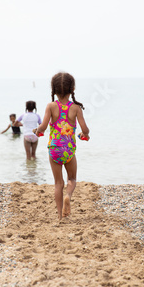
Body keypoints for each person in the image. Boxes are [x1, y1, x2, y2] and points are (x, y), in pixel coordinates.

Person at [34, 72, 90, 220]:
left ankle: (60, 216)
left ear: (54, 90)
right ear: (72, 89)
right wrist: (85, 135)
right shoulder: (76, 108)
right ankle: (68, 196)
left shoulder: (51, 106)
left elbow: (43, 127)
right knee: (72, 178)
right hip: (68, 150)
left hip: (54, 149)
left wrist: (37, 130)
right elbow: (85, 130)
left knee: (58, 183)